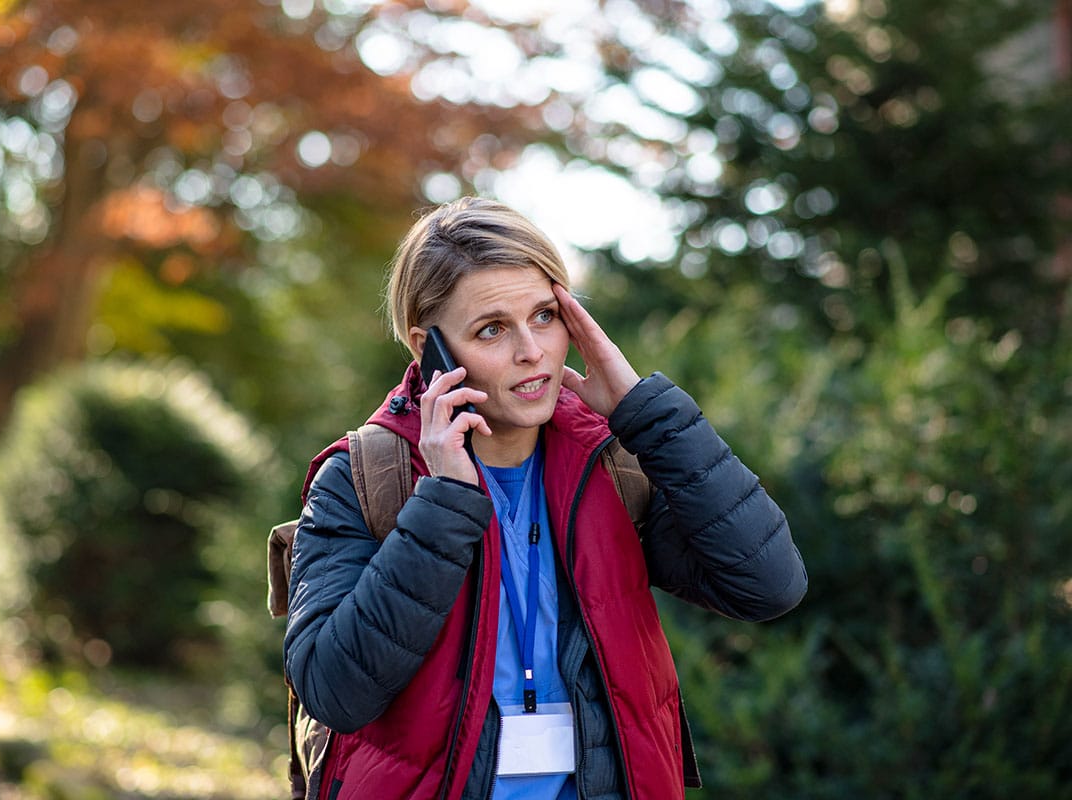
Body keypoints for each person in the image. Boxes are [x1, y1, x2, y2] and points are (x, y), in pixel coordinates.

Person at [283, 197, 807, 800]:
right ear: (429, 347)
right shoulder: (365, 476)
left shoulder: (611, 464)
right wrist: (446, 500)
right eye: (492, 329)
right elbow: (334, 691)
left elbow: (770, 586)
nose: (530, 351)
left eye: (544, 316)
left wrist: (649, 416)